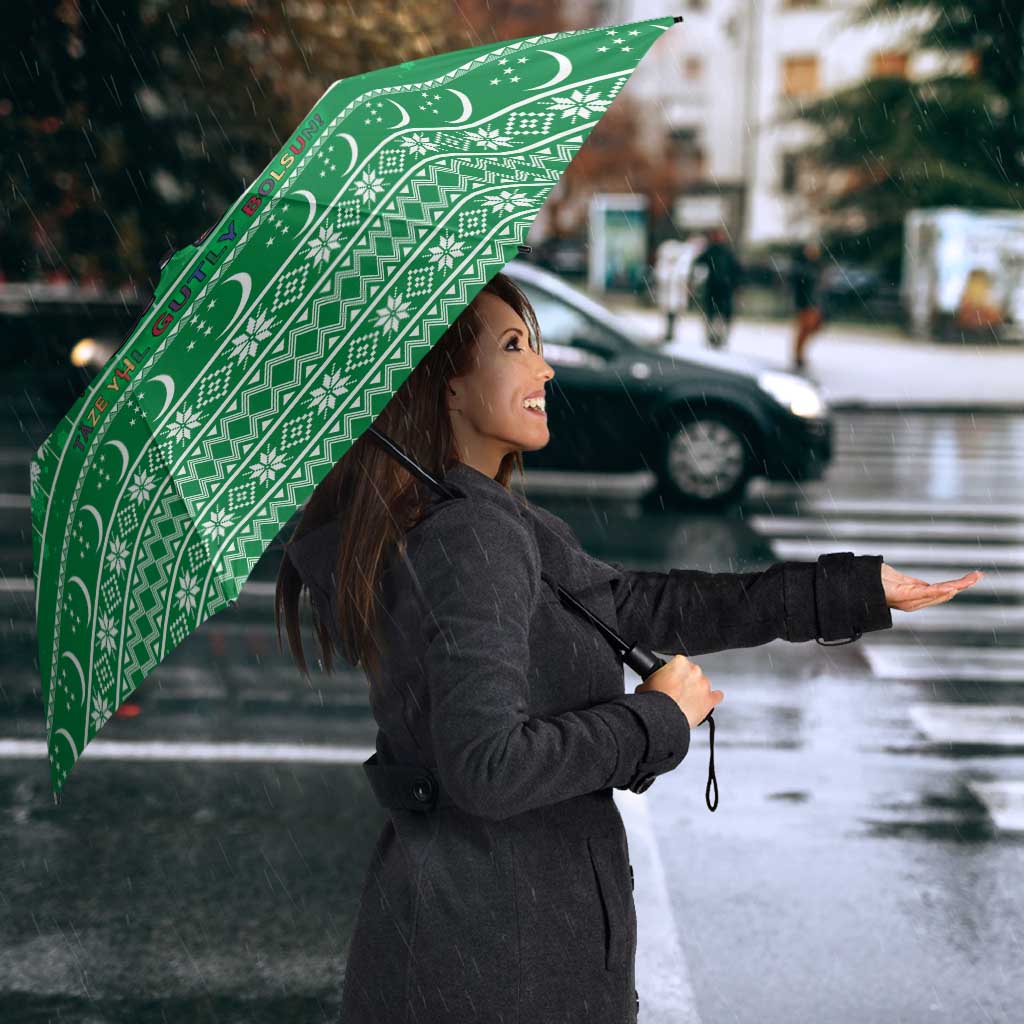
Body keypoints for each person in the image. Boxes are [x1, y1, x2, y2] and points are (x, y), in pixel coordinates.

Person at [275, 271, 972, 1024]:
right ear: (447, 385)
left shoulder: (470, 518)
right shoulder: (470, 536)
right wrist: (657, 719)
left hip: (476, 941)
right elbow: (488, 767)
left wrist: (849, 591)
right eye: (514, 347)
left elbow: (639, 605)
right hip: (499, 962)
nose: (545, 368)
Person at [692, 226, 742, 349]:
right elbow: (698, 263)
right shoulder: (714, 251)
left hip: (722, 289)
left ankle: (719, 337)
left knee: (719, 315)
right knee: (714, 314)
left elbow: (736, 270)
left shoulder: (724, 252)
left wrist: (735, 284)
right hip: (716, 288)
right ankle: (713, 337)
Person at [790, 239, 826, 370]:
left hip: (814, 303)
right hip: (805, 303)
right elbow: (799, 286)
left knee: (812, 327)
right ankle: (798, 355)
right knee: (804, 329)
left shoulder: (816, 266)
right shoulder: (802, 267)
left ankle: (799, 354)